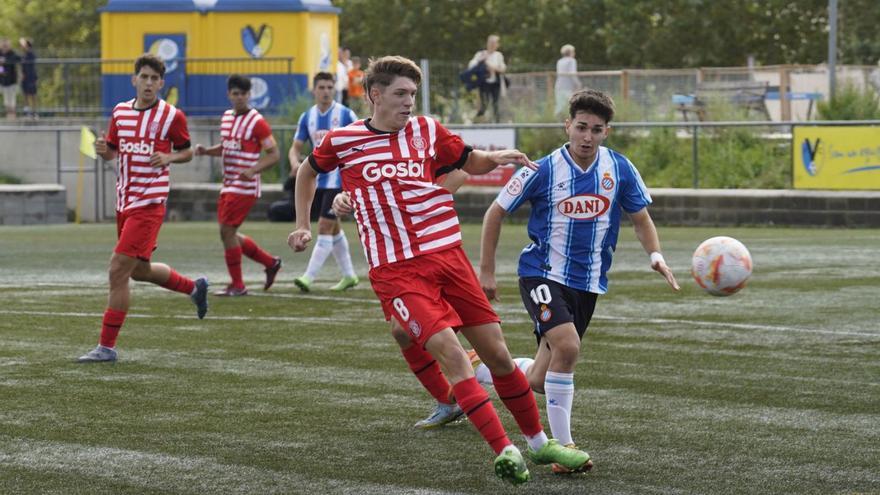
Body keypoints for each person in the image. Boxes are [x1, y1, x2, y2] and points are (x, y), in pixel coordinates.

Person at [288, 55, 591, 484]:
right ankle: (504, 449)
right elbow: (308, 171)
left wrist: (497, 157)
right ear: (375, 95)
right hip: (397, 270)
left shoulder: (427, 131)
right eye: (400, 93)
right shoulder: (343, 140)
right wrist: (303, 223)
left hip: (449, 258)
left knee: (499, 355)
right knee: (451, 354)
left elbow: (468, 161)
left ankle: (540, 445)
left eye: (413, 93)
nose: (409, 101)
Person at [478, 88, 681, 472]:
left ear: (608, 132)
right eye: (582, 127)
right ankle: (563, 449)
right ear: (568, 125)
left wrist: (656, 256)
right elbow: (494, 213)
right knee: (568, 348)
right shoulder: (541, 169)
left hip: (588, 283)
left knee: (540, 378)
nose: (587, 136)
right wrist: (487, 271)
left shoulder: (619, 168)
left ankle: (480, 369)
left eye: (597, 129)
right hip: (541, 273)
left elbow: (641, 219)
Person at [77, 53, 209, 363]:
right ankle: (195, 288)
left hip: (149, 204)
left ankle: (106, 348)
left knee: (117, 270)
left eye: (154, 78)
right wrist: (102, 149)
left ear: (161, 83)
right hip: (124, 202)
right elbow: (112, 152)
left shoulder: (171, 116)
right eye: (144, 77)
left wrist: (170, 158)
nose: (148, 83)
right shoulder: (120, 113)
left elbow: (187, 151)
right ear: (134, 79)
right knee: (139, 270)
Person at [194, 74, 283, 296]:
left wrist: (253, 170)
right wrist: (207, 151)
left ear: (249, 95)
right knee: (229, 233)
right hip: (229, 184)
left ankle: (238, 285)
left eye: (244, 94)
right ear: (229, 95)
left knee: (227, 230)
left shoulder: (257, 122)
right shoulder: (226, 117)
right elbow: (227, 147)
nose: (240, 97)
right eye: (236, 93)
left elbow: (274, 154)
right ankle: (270, 262)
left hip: (245, 187)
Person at [289, 72, 360, 292]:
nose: (326, 91)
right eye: (322, 87)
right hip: (316, 180)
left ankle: (308, 277)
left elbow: (361, 144)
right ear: (314, 90)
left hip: (338, 180)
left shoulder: (346, 114)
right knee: (333, 228)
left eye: (330, 87)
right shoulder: (307, 117)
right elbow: (296, 148)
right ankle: (349, 275)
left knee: (323, 225)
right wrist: (294, 163)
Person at [468, 35, 506, 122]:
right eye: (490, 43)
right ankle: (477, 121)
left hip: (495, 83)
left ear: (497, 45)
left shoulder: (498, 55)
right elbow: (471, 65)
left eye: (494, 43)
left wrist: (491, 66)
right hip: (484, 83)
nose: (492, 45)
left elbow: (502, 68)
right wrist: (481, 60)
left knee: (495, 103)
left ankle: (497, 122)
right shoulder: (480, 54)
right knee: (484, 103)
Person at [554, 44, 580, 116]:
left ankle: (558, 124)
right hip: (568, 87)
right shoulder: (572, 61)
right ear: (571, 52)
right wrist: (578, 84)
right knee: (574, 105)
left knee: (560, 106)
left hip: (559, 86)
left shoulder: (559, 61)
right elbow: (572, 74)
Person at [0, 38, 21, 120]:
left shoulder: (12, 54)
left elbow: (18, 59)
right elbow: (0, 67)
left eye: (6, 45)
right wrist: (1, 70)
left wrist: (5, 62)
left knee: (12, 99)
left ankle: (12, 115)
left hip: (12, 80)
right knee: (6, 100)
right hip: (3, 80)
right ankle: (8, 114)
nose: (4, 47)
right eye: (3, 45)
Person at [19, 38, 37, 119]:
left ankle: (34, 113)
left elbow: (30, 65)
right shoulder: (23, 55)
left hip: (31, 78)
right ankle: (27, 113)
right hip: (25, 79)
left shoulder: (31, 54)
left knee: (32, 95)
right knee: (25, 95)